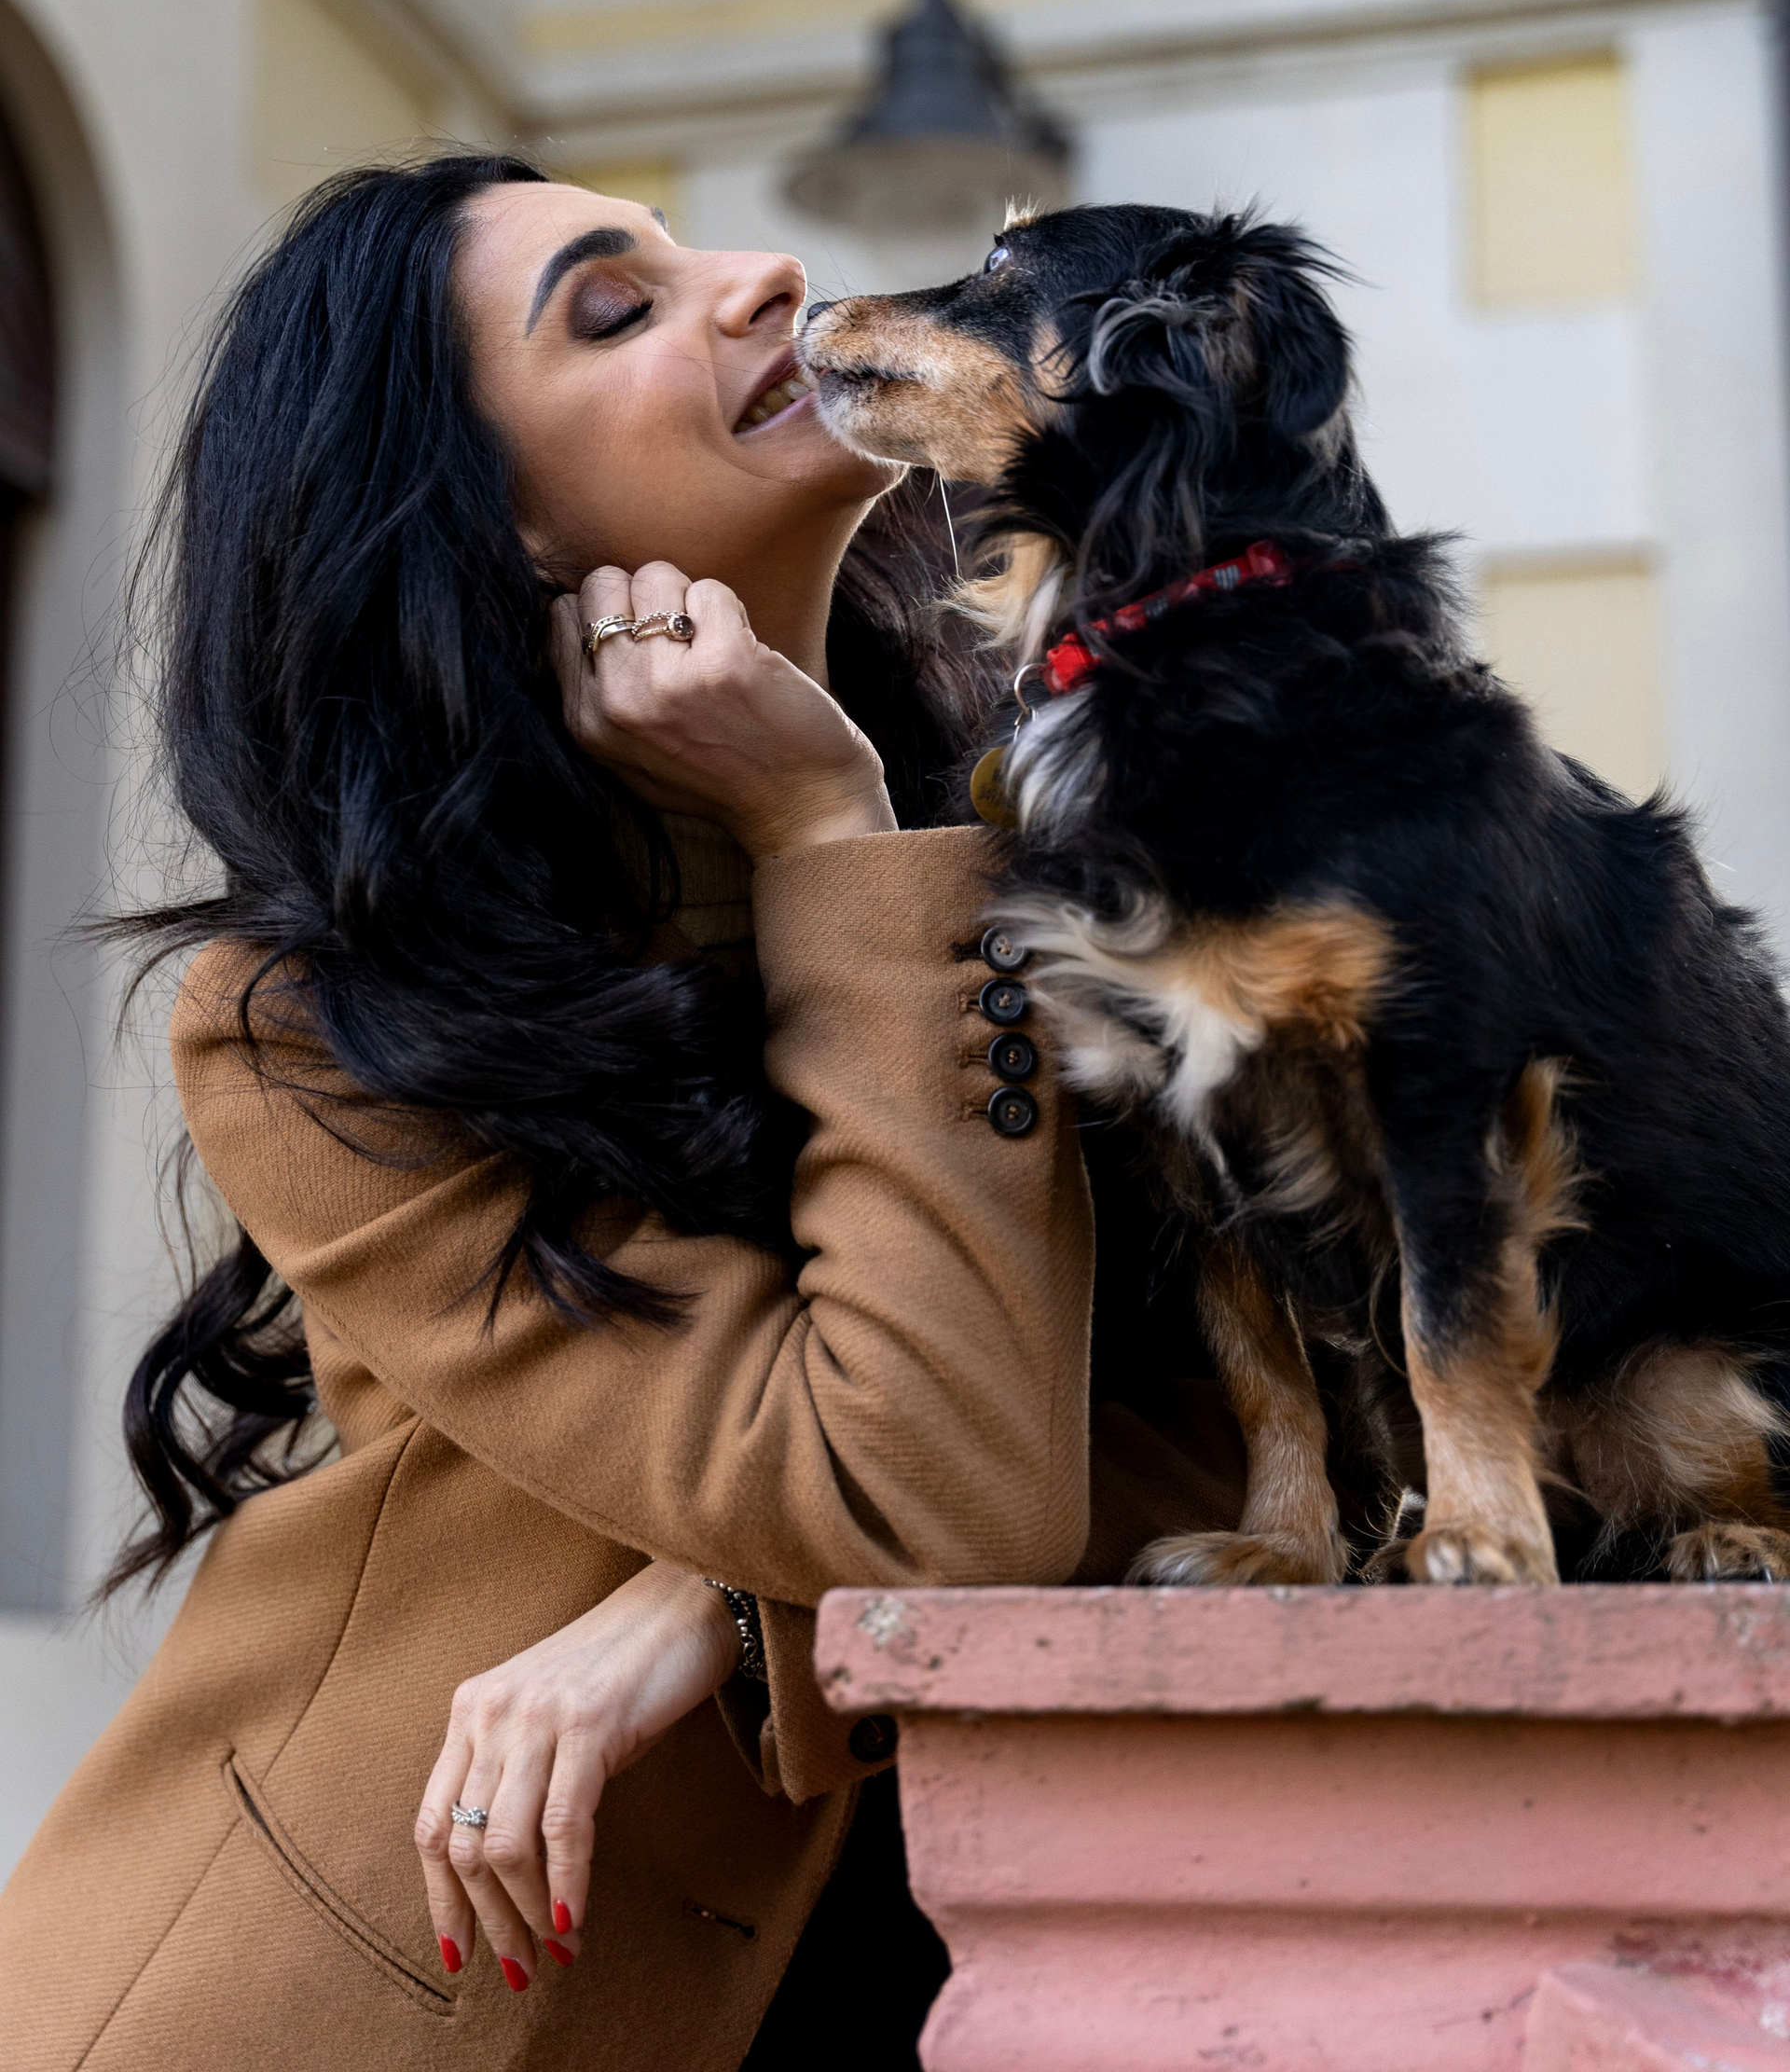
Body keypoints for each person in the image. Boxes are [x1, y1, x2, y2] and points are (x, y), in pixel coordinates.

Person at [0, 155, 1244, 2071]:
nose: (763, 275)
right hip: (379, 1998)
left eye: (688, 253)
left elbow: (1266, 1435)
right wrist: (820, 836)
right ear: (497, 525)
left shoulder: (1058, 851)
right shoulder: (324, 1027)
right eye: (614, 306)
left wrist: (722, 1608)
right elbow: (940, 1498)